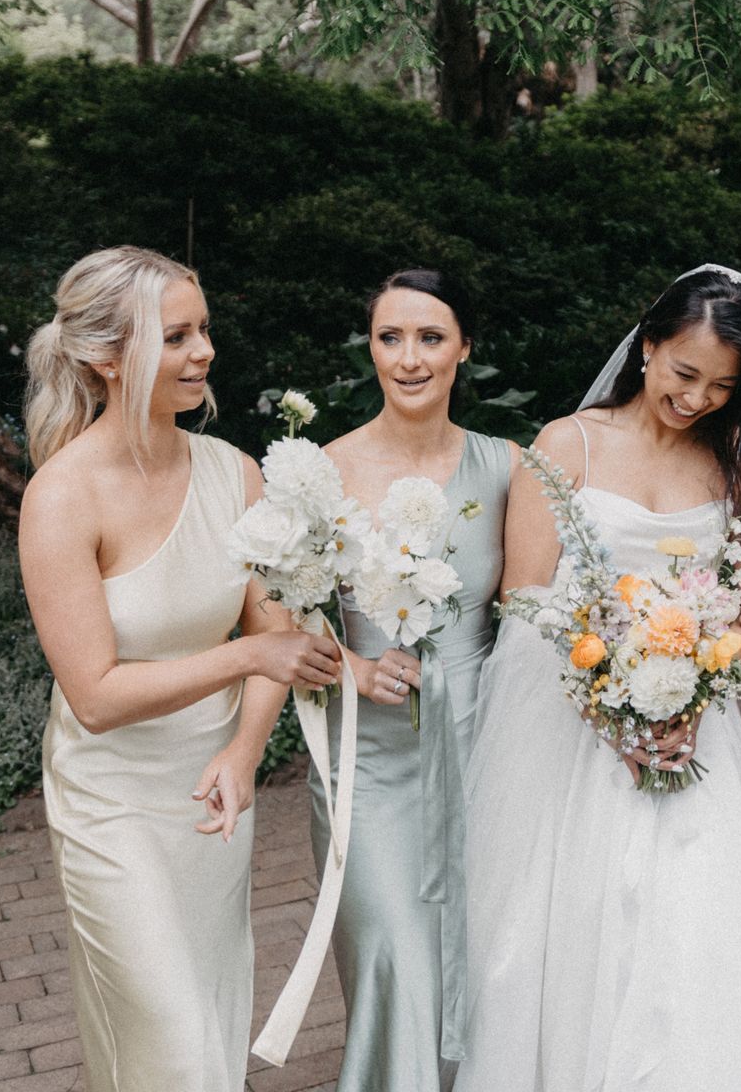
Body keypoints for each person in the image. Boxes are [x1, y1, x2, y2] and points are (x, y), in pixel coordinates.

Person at [457, 265, 741, 1091]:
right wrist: (616, 702)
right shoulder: (566, 444)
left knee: (690, 936)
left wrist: (692, 689)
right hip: (567, 729)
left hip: (691, 726)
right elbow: (527, 597)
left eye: (722, 385)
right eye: (685, 374)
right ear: (647, 346)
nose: (697, 399)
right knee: (570, 927)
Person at [18, 245, 340, 1092]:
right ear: (106, 358)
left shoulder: (232, 473)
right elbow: (94, 695)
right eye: (177, 335)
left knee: (206, 1025)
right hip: (112, 802)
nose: (203, 352)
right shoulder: (61, 497)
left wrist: (241, 754)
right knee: (170, 1039)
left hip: (209, 795)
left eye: (204, 330)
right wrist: (243, 652)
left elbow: (282, 642)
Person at [313, 269, 514, 1091]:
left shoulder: (507, 469)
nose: (409, 357)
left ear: (464, 348)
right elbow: (280, 618)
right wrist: (352, 664)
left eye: (430, 338)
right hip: (365, 755)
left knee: (482, 949)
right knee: (394, 948)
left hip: (484, 741)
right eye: (390, 337)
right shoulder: (321, 471)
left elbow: (540, 610)